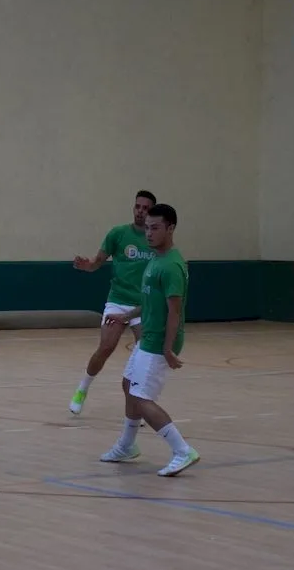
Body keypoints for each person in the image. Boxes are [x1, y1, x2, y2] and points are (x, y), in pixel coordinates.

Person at [99, 203, 200, 477]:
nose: (149, 233)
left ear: (171, 229)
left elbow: (174, 311)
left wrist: (168, 348)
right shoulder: (154, 259)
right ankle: (127, 446)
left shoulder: (171, 266)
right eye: (147, 228)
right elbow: (148, 301)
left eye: (155, 228)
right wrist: (126, 316)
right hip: (149, 338)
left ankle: (182, 450)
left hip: (158, 342)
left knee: (142, 398)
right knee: (128, 384)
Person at [68, 190, 157, 416]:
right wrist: (86, 265)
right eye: (138, 206)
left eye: (146, 208)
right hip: (118, 301)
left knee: (143, 353)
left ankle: (140, 404)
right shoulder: (118, 234)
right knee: (106, 347)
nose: (141, 211)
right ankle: (82, 389)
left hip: (142, 306)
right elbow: (97, 262)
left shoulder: (154, 241)